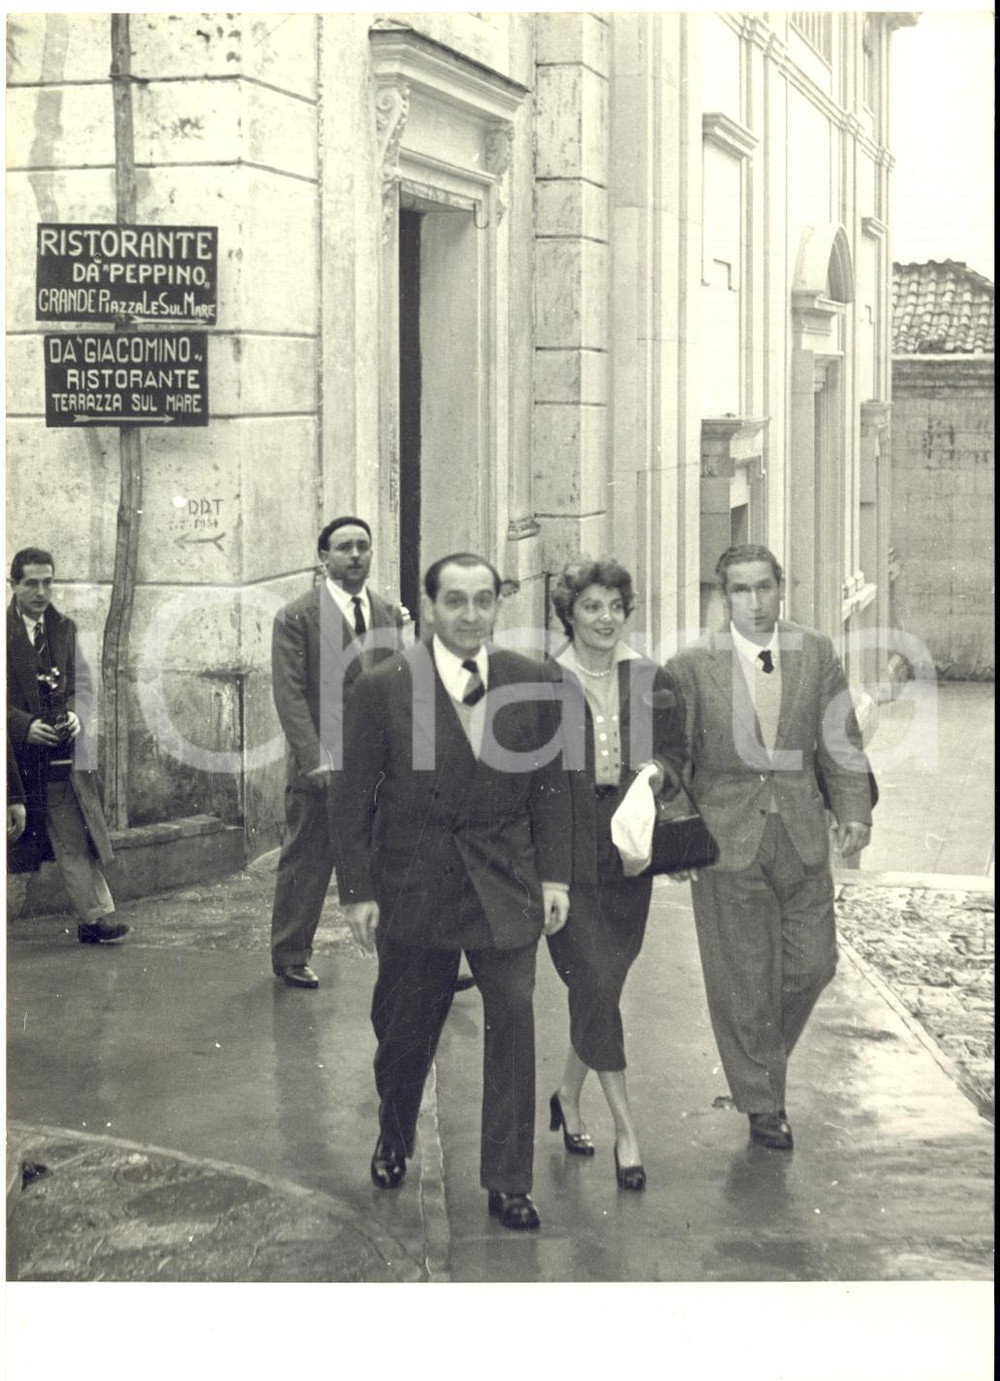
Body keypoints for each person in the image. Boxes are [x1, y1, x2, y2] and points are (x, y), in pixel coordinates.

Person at [333, 552, 572, 1231]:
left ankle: (507, 1178)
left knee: (515, 1019)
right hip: (415, 879)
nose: (471, 615)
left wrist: (555, 874)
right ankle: (395, 1131)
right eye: (456, 601)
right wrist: (358, 890)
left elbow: (554, 790)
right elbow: (351, 797)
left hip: (506, 879)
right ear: (430, 607)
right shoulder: (383, 685)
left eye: (484, 600)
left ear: (499, 606)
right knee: (406, 1028)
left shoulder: (535, 680)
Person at [666, 544, 872, 1150]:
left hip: (801, 831)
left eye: (764, 588)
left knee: (814, 962)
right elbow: (673, 759)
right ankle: (762, 1102)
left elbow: (841, 740)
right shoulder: (690, 665)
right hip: (726, 838)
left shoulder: (815, 652)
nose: (754, 602)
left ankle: (757, 1060)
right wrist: (681, 834)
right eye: (740, 590)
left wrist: (853, 810)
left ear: (782, 588)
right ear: (721, 596)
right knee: (742, 975)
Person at [546, 558, 687, 1191]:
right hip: (563, 855)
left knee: (600, 985)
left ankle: (567, 1096)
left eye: (614, 607)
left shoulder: (650, 679)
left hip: (628, 852)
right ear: (569, 614)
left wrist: (657, 772)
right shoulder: (539, 682)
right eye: (591, 607)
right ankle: (626, 1131)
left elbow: (678, 755)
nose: (605, 619)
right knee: (597, 981)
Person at [269, 516, 405, 988]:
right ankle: (290, 952)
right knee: (309, 858)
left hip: (379, 767)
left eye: (363, 546)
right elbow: (288, 694)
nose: (355, 555)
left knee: (392, 860)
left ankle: (414, 955)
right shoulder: (297, 617)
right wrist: (313, 758)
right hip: (323, 764)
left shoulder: (388, 614)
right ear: (324, 557)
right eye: (344, 547)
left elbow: (399, 690)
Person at [6, 547, 125, 944]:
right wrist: (22, 726)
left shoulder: (64, 629)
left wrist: (75, 713)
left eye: (47, 582)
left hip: (58, 757)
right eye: (31, 583)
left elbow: (84, 685)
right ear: (13, 585)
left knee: (74, 834)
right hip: (13, 762)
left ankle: (96, 918)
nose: (41, 592)